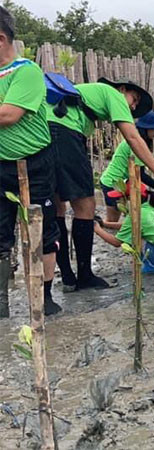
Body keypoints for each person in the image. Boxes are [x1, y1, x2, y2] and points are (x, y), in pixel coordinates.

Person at [47, 75, 154, 292]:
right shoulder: (113, 94)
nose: (134, 105)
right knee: (85, 205)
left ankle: (68, 277)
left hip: (44, 131)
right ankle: (84, 276)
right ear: (122, 89)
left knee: (57, 207)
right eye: (134, 99)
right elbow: (131, 137)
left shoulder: (85, 96)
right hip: (64, 132)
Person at [0, 5, 61, 316]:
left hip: (33, 163)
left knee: (40, 231)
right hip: (0, 167)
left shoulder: (27, 72)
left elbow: (8, 115)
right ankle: (1, 303)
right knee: (0, 234)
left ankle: (45, 296)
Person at [99, 111, 154, 222]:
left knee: (144, 196)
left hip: (124, 181)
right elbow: (140, 175)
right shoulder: (135, 144)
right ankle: (97, 226)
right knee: (112, 221)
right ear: (145, 128)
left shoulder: (141, 142)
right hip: (112, 183)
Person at [94, 183, 154, 274]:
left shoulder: (136, 214)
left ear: (129, 198)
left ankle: (152, 267)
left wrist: (97, 229)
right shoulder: (152, 207)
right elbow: (130, 226)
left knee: (134, 239)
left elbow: (117, 242)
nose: (118, 201)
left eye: (120, 198)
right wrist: (104, 224)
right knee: (140, 234)